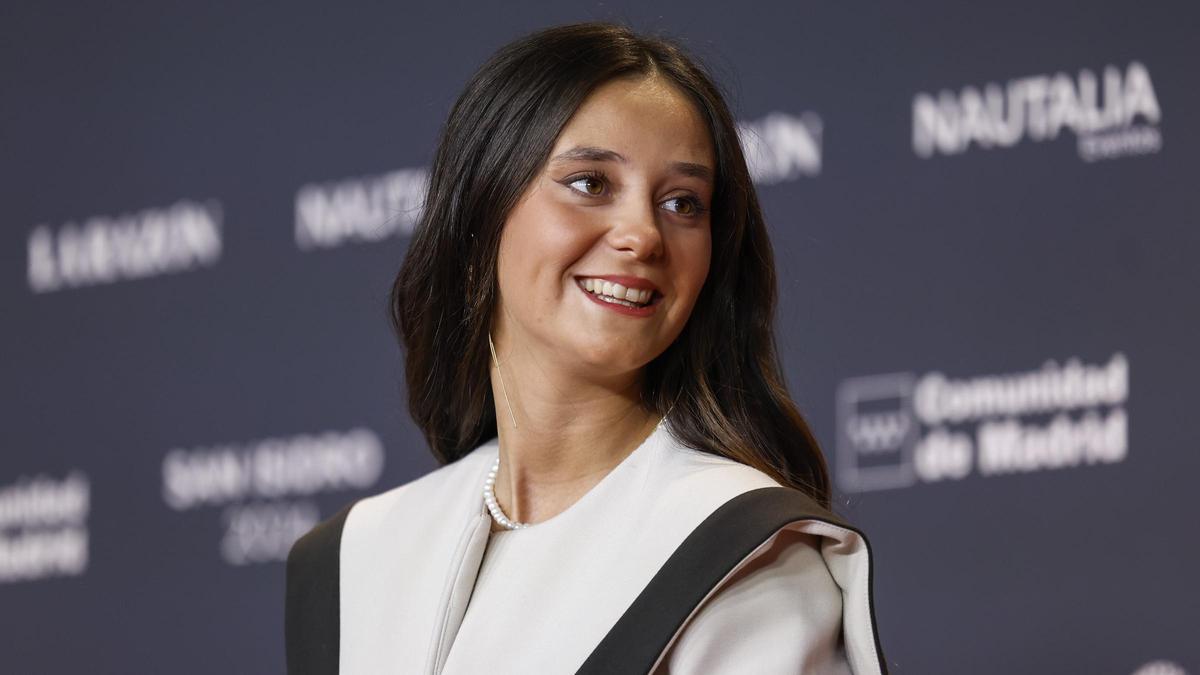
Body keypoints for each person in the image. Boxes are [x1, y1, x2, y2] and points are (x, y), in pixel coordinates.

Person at [286, 21, 888, 675]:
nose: (642, 234)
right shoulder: (359, 557)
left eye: (683, 202)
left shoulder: (742, 556)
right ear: (478, 217)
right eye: (591, 183)